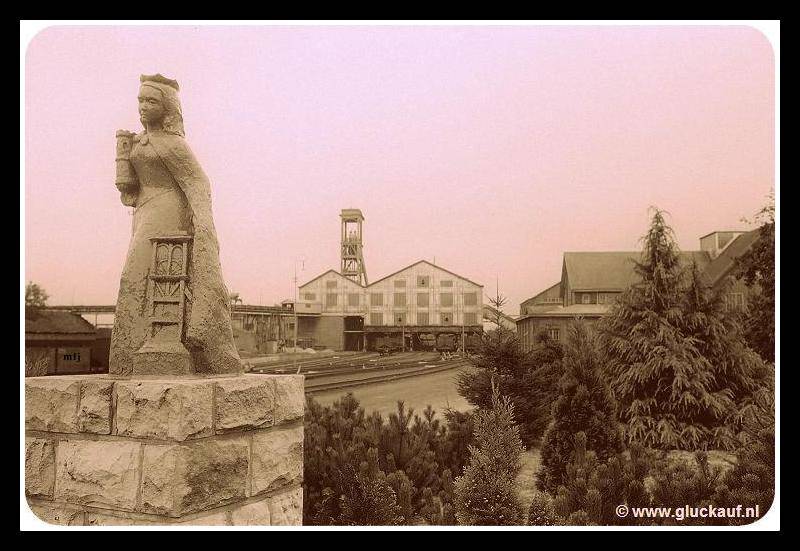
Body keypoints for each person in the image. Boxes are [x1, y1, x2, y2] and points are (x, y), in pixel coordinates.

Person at [109, 74, 241, 374]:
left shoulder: (174, 145)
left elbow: (198, 182)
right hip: (144, 213)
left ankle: (164, 347)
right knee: (134, 279)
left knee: (147, 274)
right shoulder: (141, 141)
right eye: (140, 100)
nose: (142, 106)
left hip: (168, 215)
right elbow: (133, 191)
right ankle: (129, 354)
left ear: (166, 106)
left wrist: (203, 222)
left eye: (151, 100)